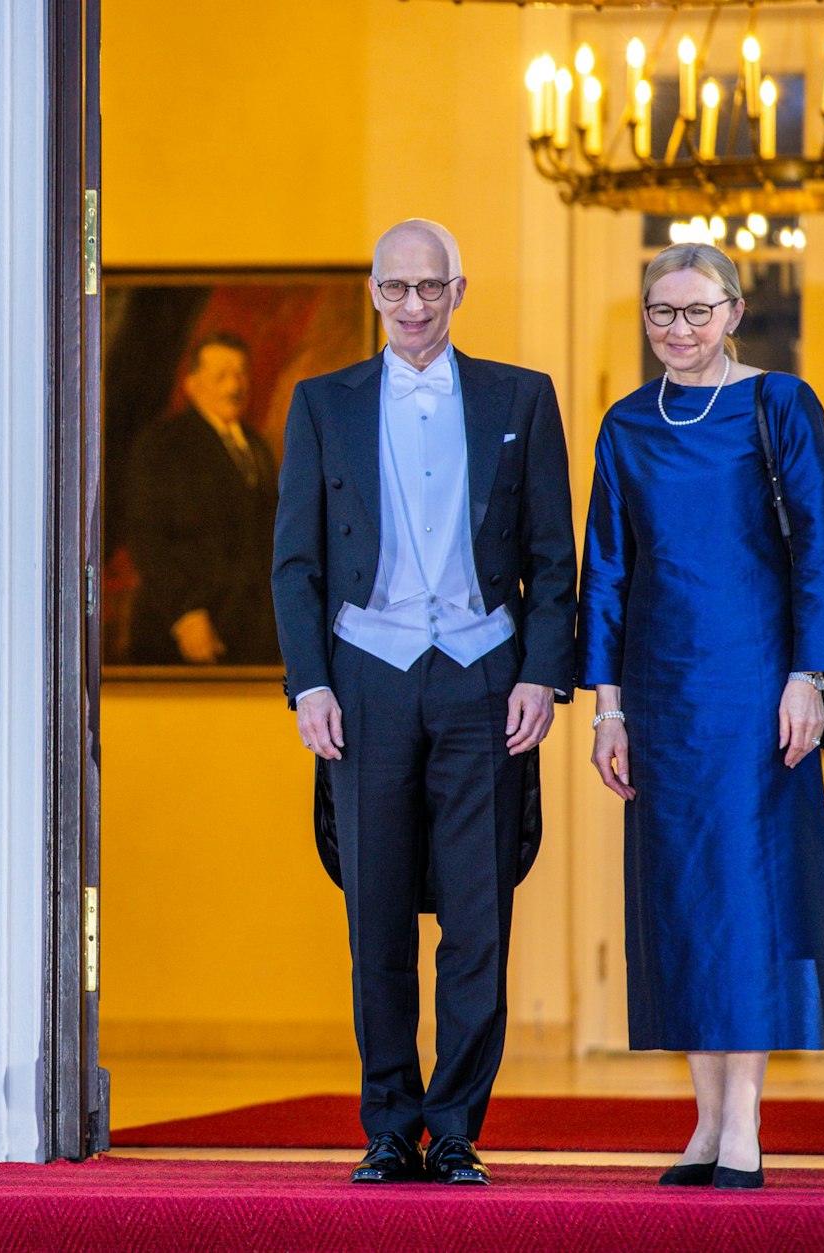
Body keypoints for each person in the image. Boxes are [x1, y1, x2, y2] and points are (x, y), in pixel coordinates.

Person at [271, 219, 576, 1186]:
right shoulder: (322, 404)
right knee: (378, 912)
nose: (412, 305)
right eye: (396, 287)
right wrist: (309, 681)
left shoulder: (521, 397)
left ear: (459, 289)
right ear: (373, 291)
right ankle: (389, 1122)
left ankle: (454, 1128)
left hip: (486, 672)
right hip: (367, 677)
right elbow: (295, 563)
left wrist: (542, 671)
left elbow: (550, 558)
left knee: (480, 915)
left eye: (430, 287)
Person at [578, 242, 824, 1191]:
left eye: (695, 311)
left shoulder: (780, 405)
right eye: (660, 312)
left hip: (758, 683)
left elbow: (816, 548)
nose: (676, 329)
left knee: (748, 895)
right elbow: (604, 571)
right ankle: (701, 1123)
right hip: (658, 692)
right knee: (680, 898)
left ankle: (745, 1126)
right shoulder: (624, 426)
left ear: (734, 311)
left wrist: (807, 673)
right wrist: (605, 708)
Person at [127, 332, 280, 665]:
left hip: (252, 631)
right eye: (221, 376)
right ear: (192, 384)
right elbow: (148, 538)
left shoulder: (255, 446)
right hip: (188, 631)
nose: (234, 385)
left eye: (240, 373)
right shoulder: (165, 444)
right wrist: (186, 614)